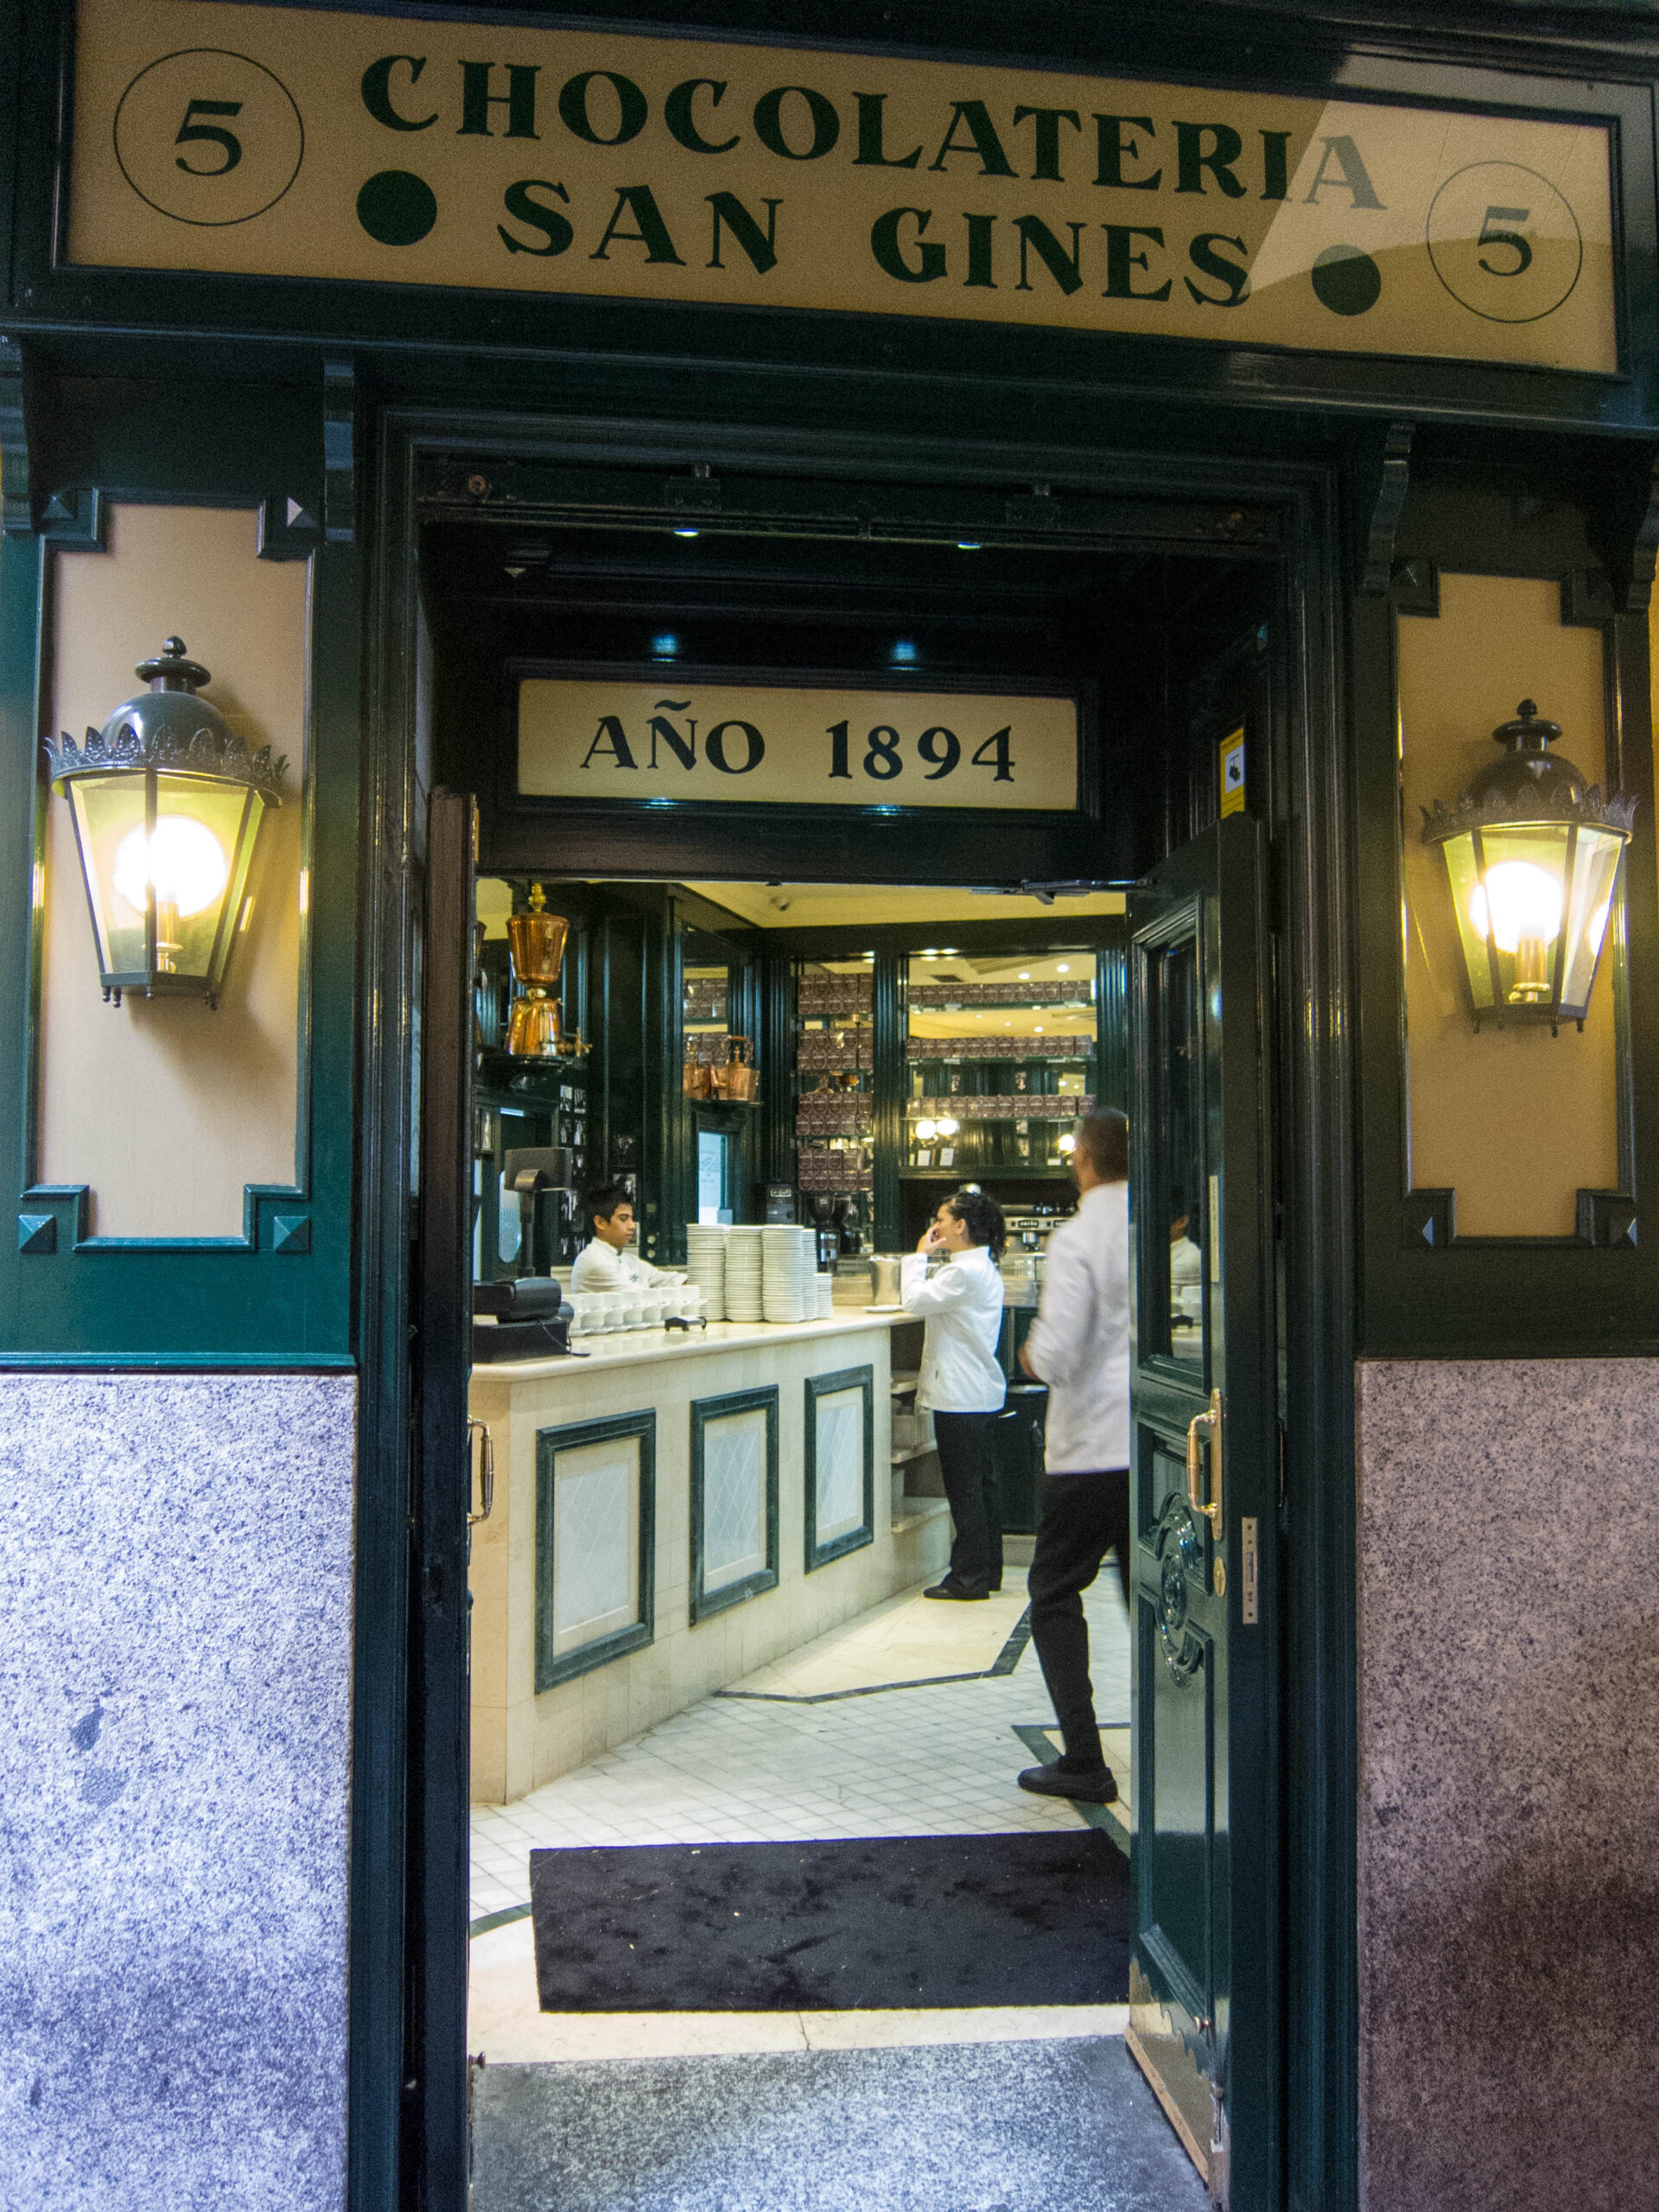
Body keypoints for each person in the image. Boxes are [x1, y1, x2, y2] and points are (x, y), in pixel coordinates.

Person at [1015, 1111, 1131, 1803]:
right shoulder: (1152, 1231)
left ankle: (1084, 1758)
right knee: (1145, 1593)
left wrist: (1028, 1354)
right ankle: (1180, 1731)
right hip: (1149, 1437)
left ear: (1083, 1158)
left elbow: (1055, 1354)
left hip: (1087, 1444)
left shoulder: (1078, 1237)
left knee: (1054, 1594)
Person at [900, 1188, 1008, 1601]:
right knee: (982, 1486)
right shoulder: (980, 1268)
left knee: (966, 1491)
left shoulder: (962, 1272)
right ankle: (987, 1569)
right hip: (978, 1392)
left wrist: (918, 1255)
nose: (936, 1226)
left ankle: (968, 1579)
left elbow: (913, 1301)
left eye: (942, 1219)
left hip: (961, 1395)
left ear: (960, 1226)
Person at [570, 1182, 673, 1294]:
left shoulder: (629, 1260)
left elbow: (668, 1280)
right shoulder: (593, 1261)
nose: (632, 1226)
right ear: (600, 1223)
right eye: (623, 1219)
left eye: (631, 1218)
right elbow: (638, 1298)